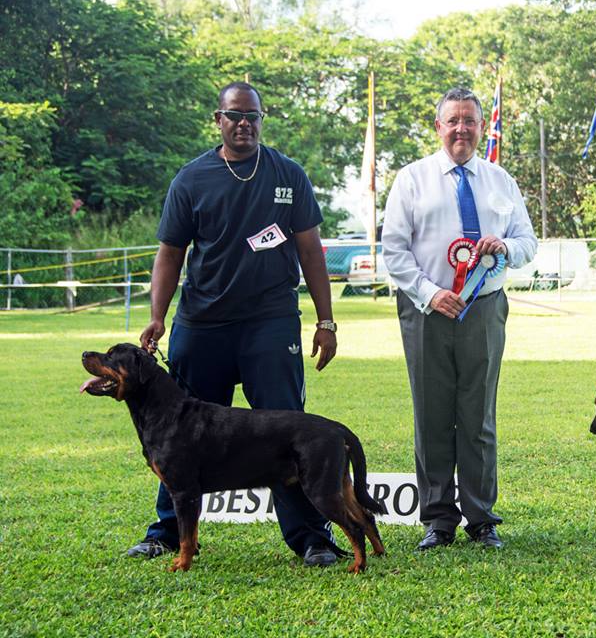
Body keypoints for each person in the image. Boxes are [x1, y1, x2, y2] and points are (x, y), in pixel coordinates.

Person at [128, 81, 342, 567]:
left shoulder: (289, 174)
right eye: (235, 115)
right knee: (177, 432)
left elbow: (311, 251)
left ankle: (310, 537)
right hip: (203, 324)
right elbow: (170, 254)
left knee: (287, 425)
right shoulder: (191, 179)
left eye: (253, 116)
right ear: (218, 119)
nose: (244, 124)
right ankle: (165, 531)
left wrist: (326, 320)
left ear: (262, 120)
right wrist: (158, 316)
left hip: (270, 322)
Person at [381, 87, 537, 551]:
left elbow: (527, 243)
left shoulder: (500, 180)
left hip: (485, 309)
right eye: (453, 121)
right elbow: (394, 249)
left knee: (478, 415)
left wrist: (504, 248)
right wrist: (432, 295)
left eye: (470, 121)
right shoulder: (411, 179)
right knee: (431, 414)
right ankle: (438, 519)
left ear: (480, 127)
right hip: (426, 310)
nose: (462, 129)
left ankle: (481, 517)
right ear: (438, 127)